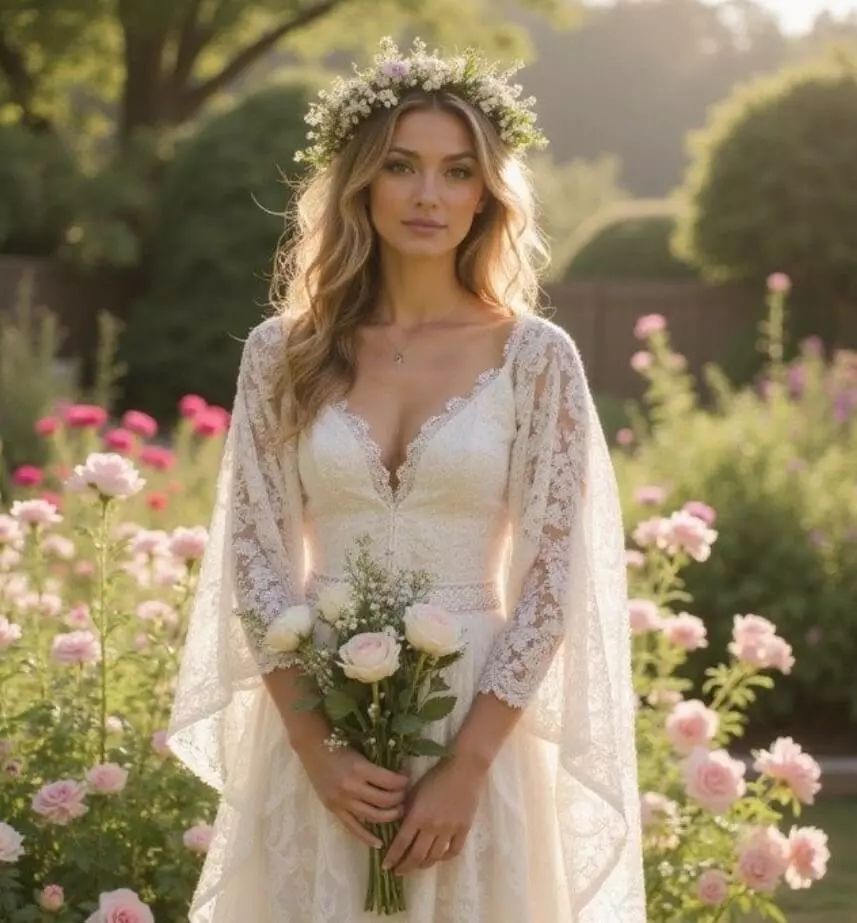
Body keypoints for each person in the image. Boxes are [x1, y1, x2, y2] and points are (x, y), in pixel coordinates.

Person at [167, 35, 645, 923]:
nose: (429, 194)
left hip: (479, 728)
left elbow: (553, 576)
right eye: (401, 166)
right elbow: (256, 559)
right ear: (361, 182)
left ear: (485, 195)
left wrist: (466, 769)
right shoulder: (284, 353)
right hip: (317, 721)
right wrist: (316, 752)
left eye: (457, 171)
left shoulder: (535, 360)